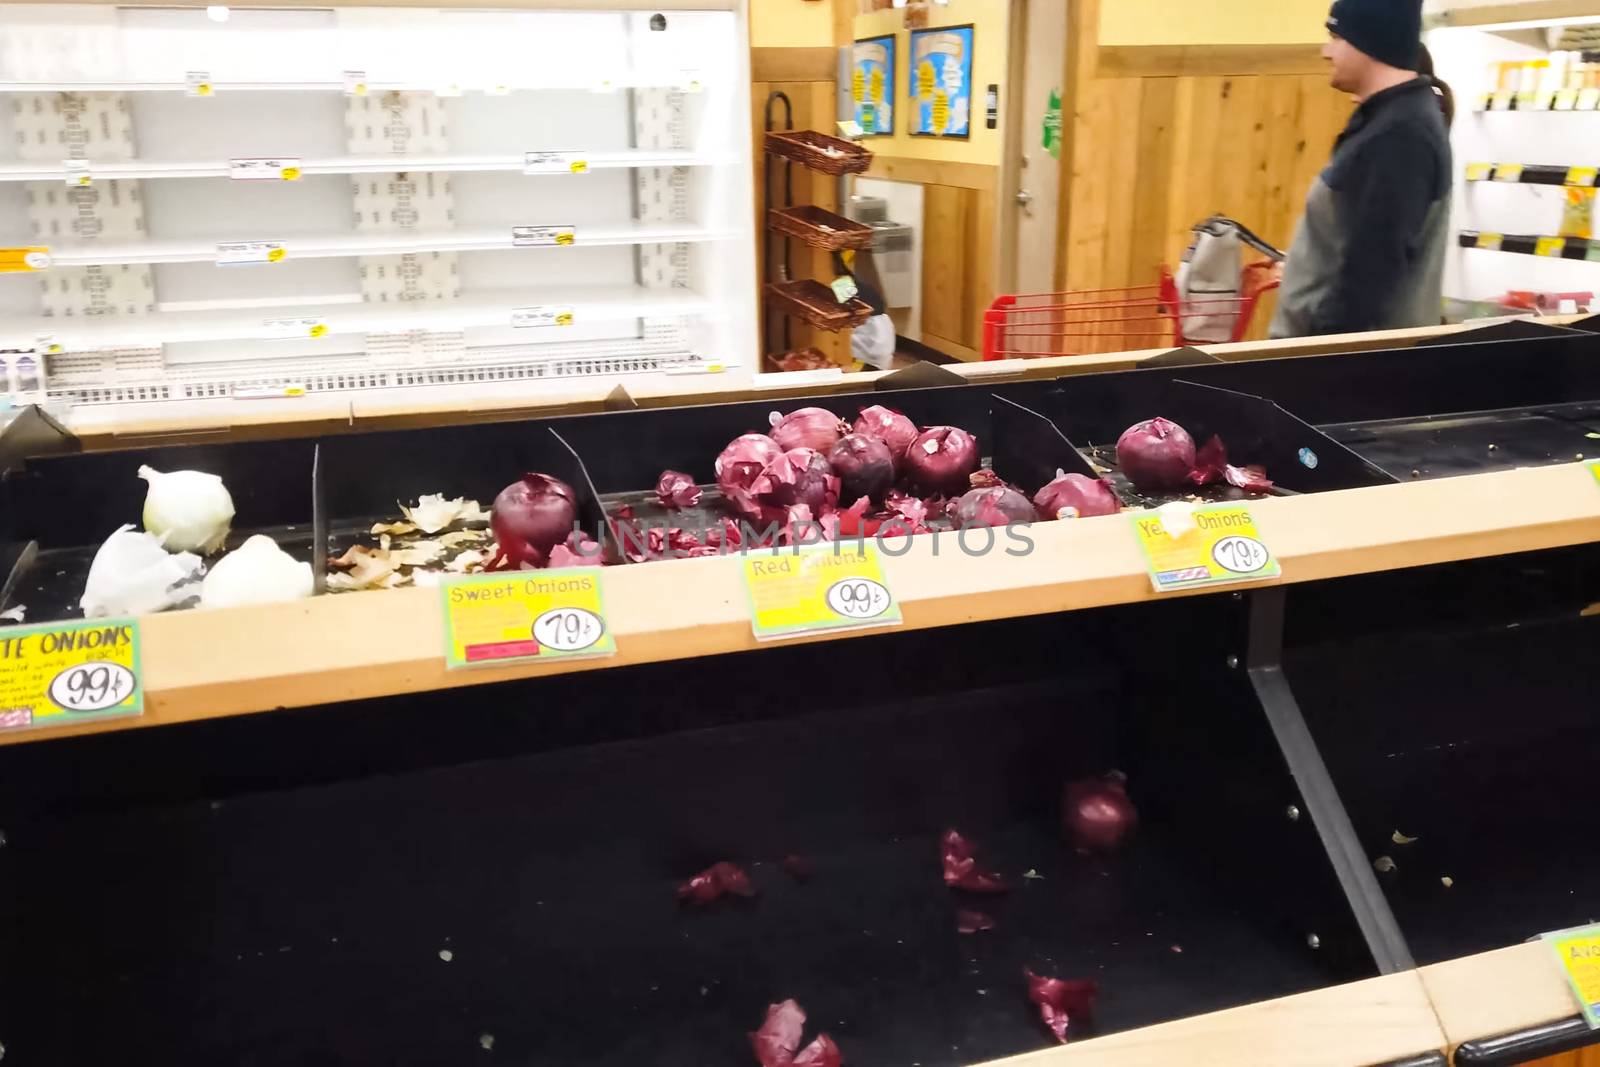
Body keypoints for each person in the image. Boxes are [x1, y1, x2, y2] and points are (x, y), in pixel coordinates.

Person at [1270, 0, 1452, 339]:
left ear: (1371, 41)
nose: (1326, 51)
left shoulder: (1400, 135)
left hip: (1343, 371)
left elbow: (1371, 271)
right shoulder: (1387, 121)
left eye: (1336, 37)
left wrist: (1317, 354)